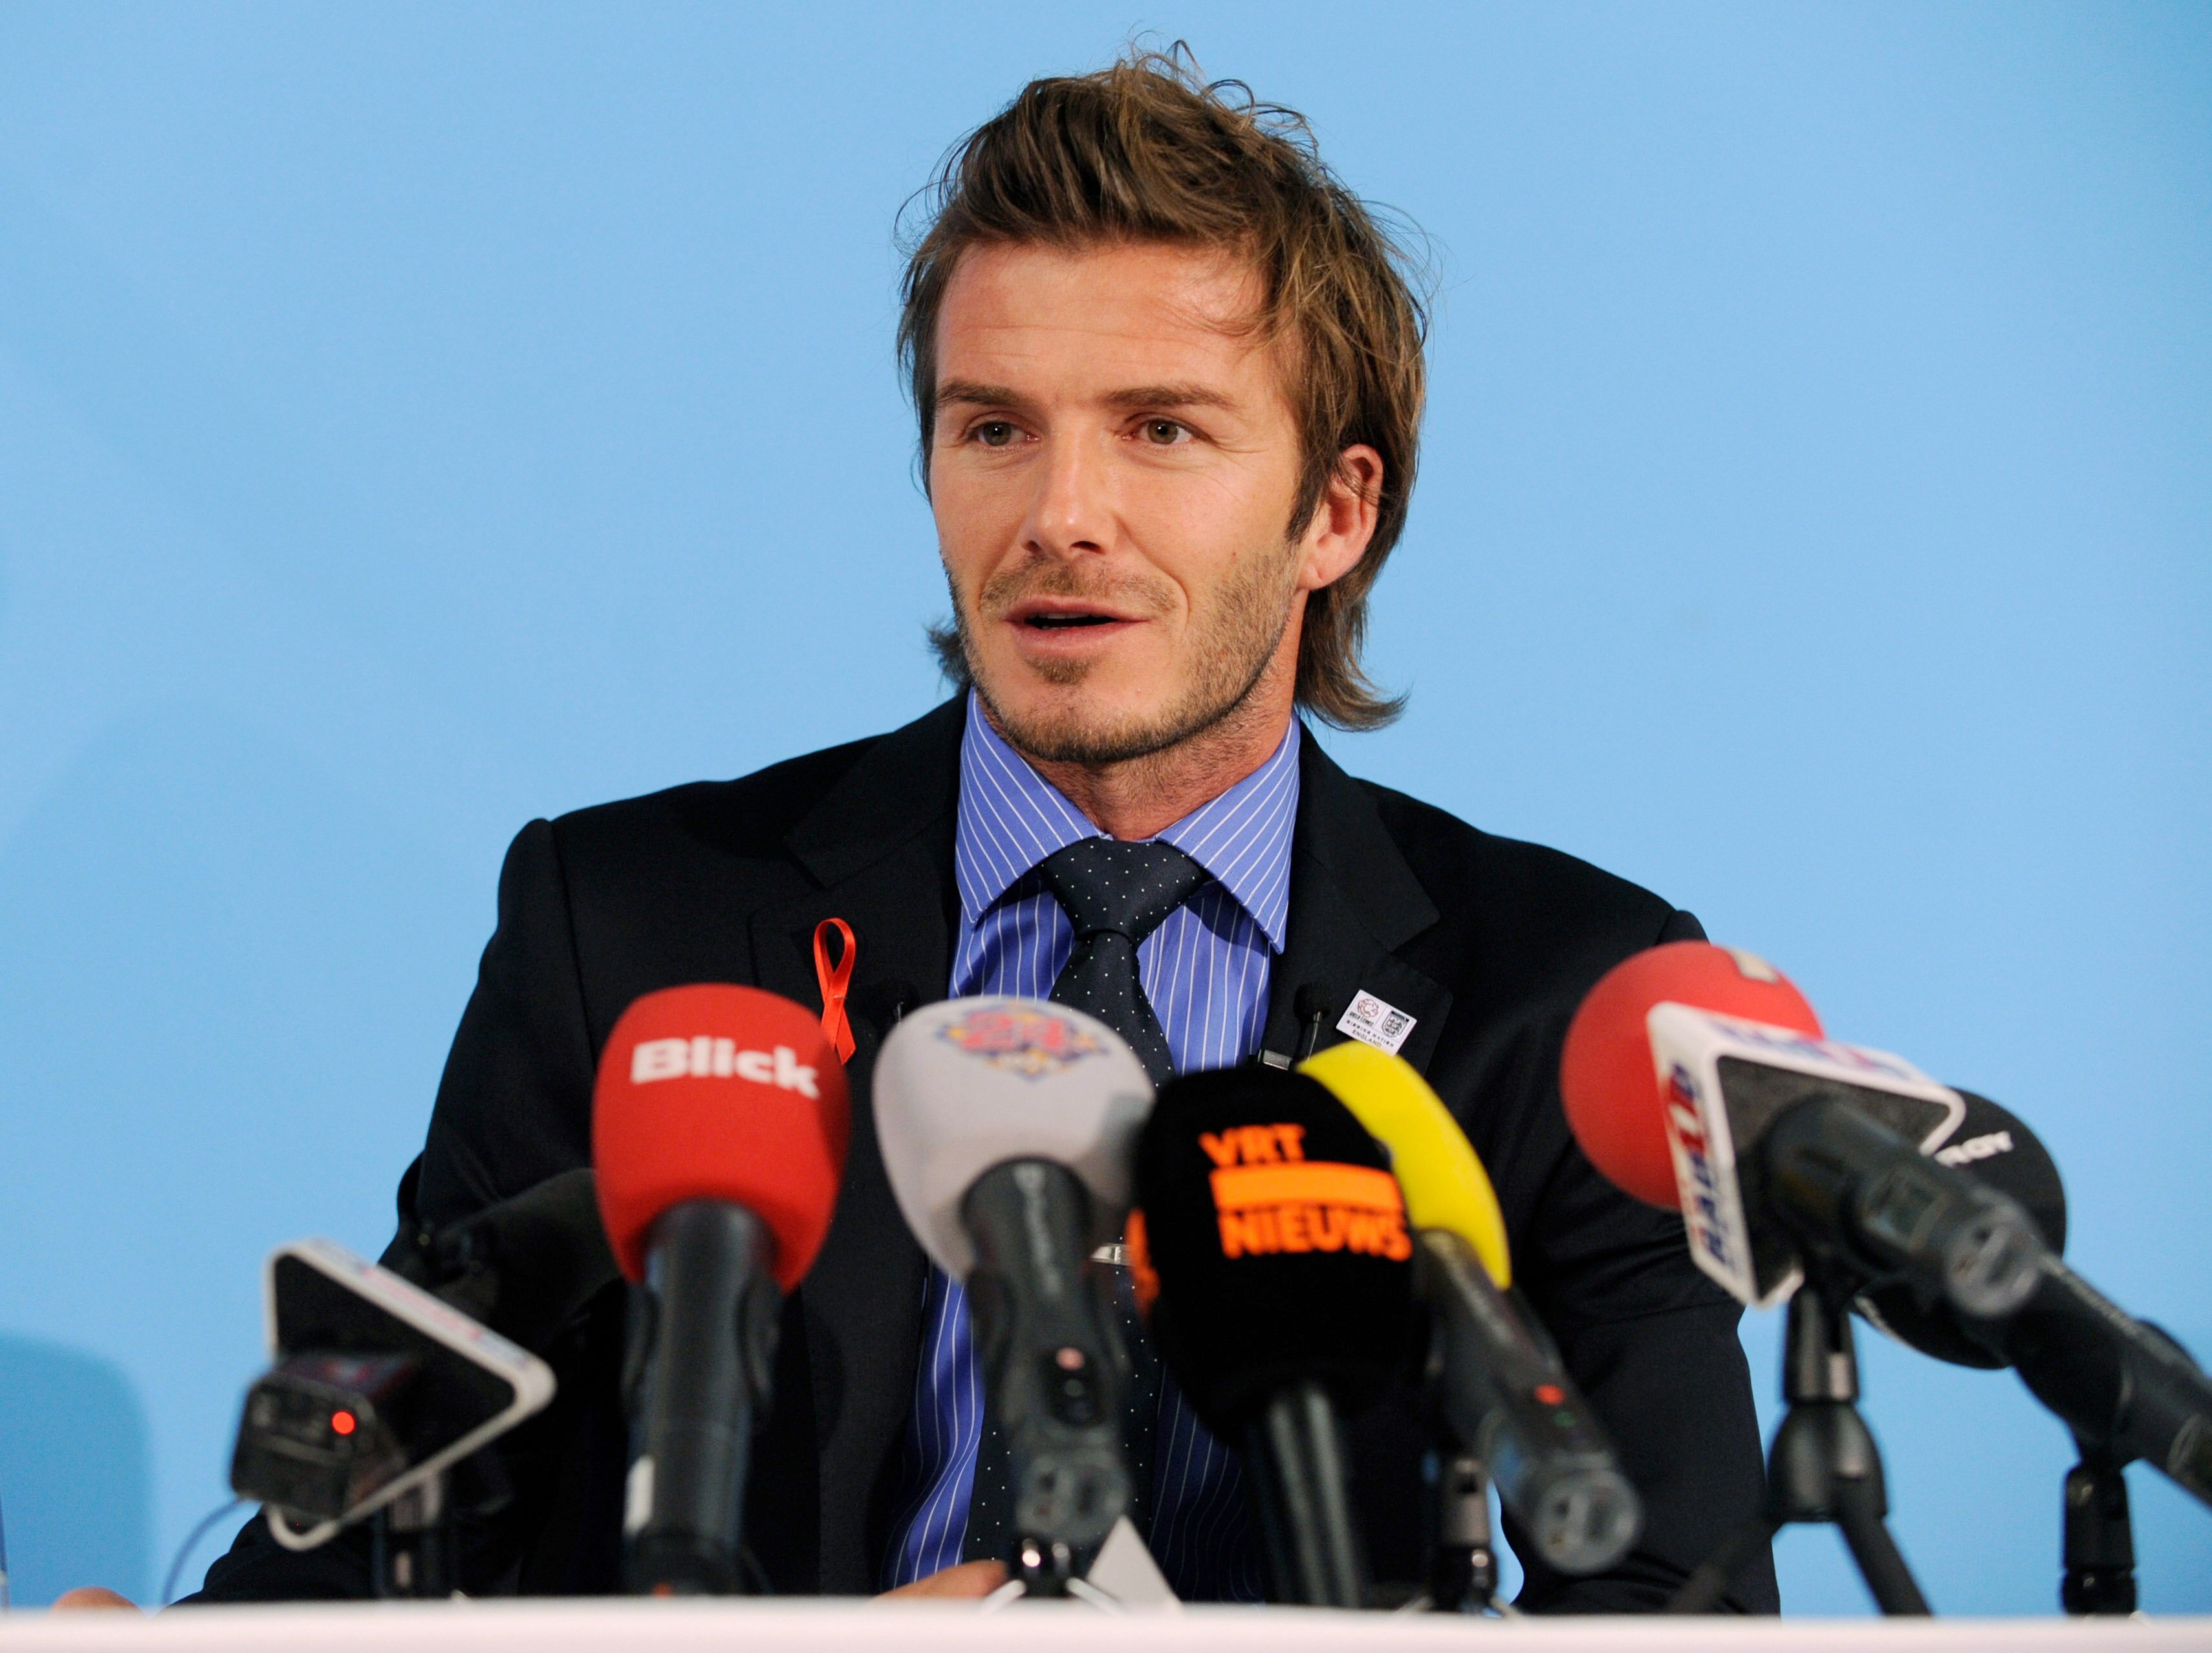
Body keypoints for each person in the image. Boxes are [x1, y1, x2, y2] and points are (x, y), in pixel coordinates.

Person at [178, 50, 1775, 1611]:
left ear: (1334, 515)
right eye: (994, 426)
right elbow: (414, 1501)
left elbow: (1671, 1590)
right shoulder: (628, 925)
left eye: (1162, 428)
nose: (1059, 512)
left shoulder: (1565, 994)